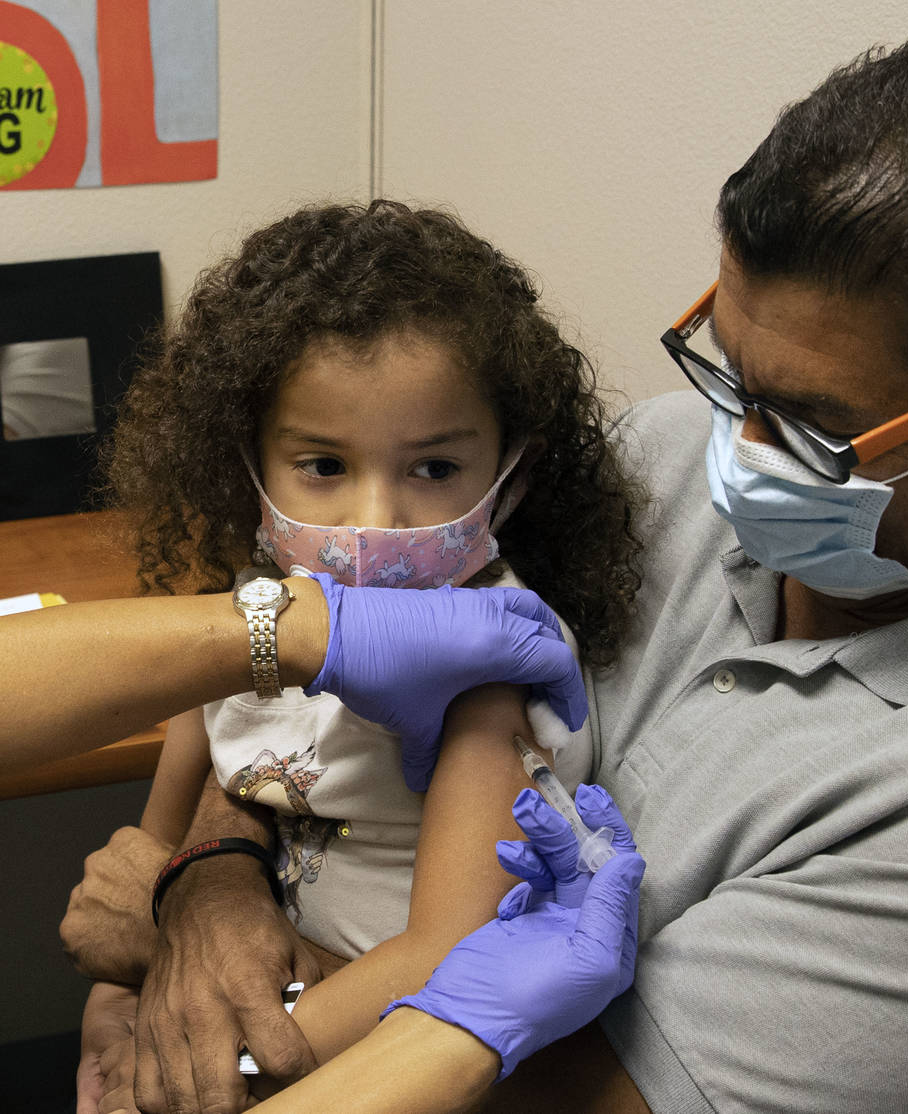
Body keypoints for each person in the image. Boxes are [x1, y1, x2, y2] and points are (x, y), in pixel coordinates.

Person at [70, 27, 908, 1114]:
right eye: (731, 376)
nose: (745, 458)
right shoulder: (664, 464)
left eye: (814, 427)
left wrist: (200, 975)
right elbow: (311, 688)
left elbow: (511, 1093)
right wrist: (211, 876)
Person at [56, 199, 645, 1109]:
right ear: (246, 466)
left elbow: (443, 954)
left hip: (382, 1056)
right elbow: (156, 853)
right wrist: (115, 1015)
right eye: (323, 466)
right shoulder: (246, 622)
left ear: (511, 476)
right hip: (248, 1014)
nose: (375, 521)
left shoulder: (493, 657)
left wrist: (220, 1069)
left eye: (435, 469)